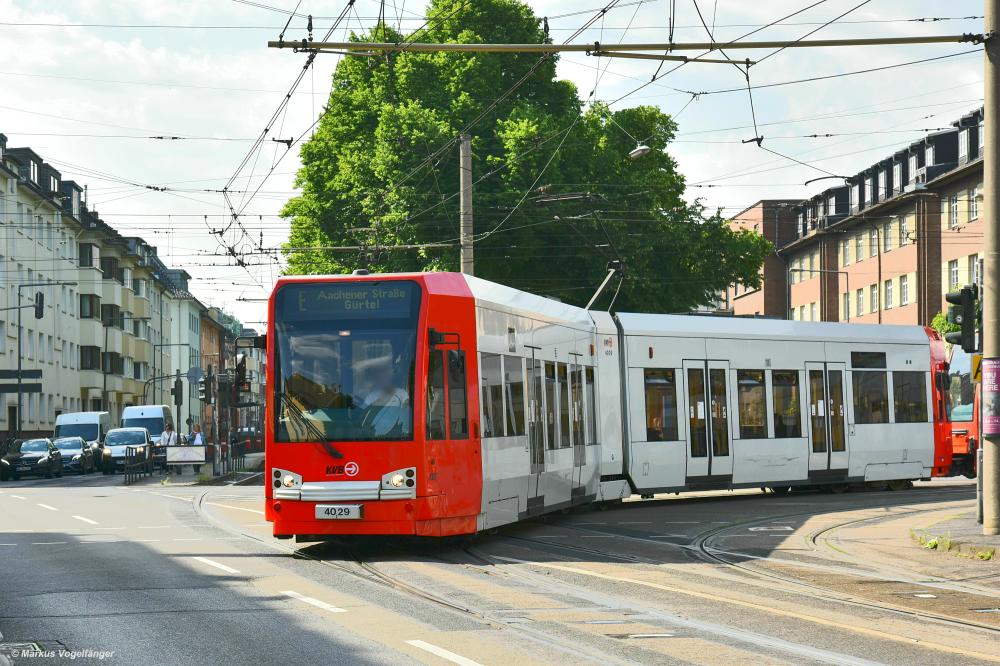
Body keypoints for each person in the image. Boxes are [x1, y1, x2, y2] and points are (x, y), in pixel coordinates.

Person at [359, 360, 410, 437]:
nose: (383, 379)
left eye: (385, 376)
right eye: (379, 377)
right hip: (374, 436)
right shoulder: (371, 397)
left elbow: (406, 416)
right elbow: (363, 417)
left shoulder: (402, 394)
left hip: (398, 435)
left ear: (390, 378)